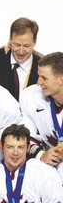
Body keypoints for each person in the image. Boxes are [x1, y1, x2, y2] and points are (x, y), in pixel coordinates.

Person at [0, 124, 63, 202]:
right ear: (2, 148)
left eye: (20, 147)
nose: (15, 153)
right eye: (10, 147)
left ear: (28, 148)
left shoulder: (43, 171)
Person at [20, 51, 63, 182]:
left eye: (44, 78)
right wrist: (41, 154)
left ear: (61, 79)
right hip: (47, 164)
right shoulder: (30, 96)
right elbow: (25, 135)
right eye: (39, 76)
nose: (39, 82)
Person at [0, 17, 41, 101]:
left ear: (34, 43)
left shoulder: (43, 67)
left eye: (26, 46)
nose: (21, 51)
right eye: (17, 45)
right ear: (10, 40)